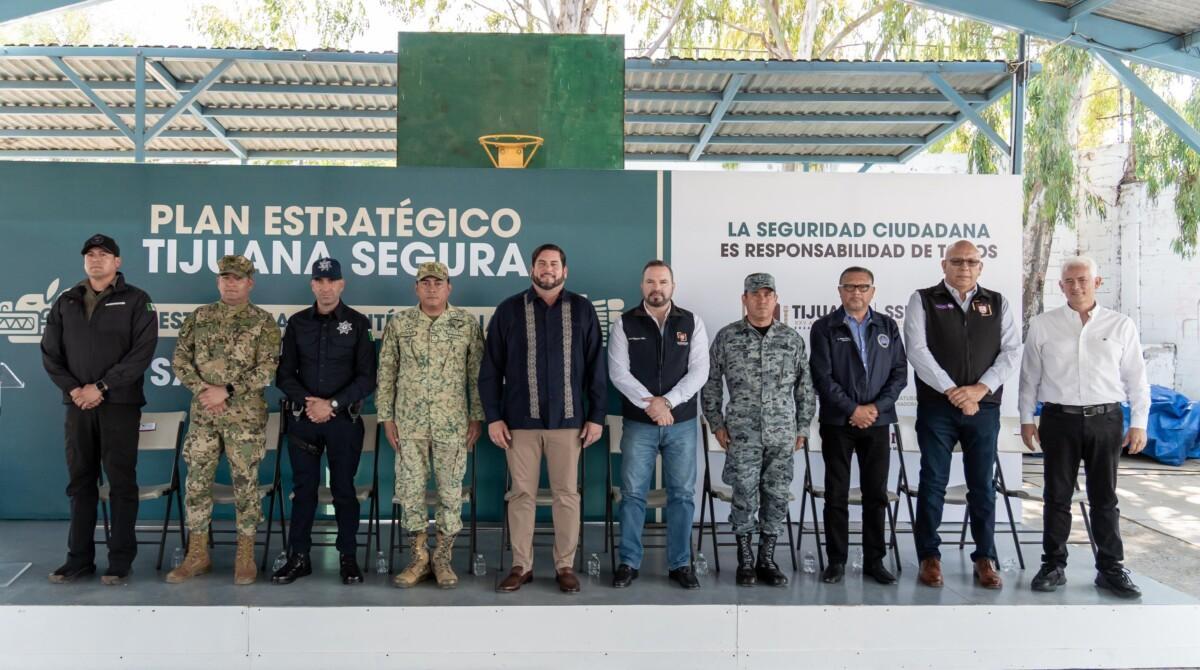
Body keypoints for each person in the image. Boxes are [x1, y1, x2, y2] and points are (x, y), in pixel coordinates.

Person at [1019, 256, 1149, 599]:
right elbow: (1029, 377)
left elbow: (1137, 379)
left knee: (1104, 496)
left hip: (1106, 420)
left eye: (1083, 280)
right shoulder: (1043, 325)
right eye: (1069, 281)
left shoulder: (1121, 325)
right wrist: (1026, 419)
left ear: (1097, 283)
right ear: (1060, 286)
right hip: (1059, 419)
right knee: (1056, 496)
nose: (1076, 286)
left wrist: (1139, 423)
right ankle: (1053, 565)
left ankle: (1110, 568)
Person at [479, 243, 607, 594]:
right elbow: (490, 370)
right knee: (522, 494)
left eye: (554, 263)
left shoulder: (582, 310)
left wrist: (596, 416)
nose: (547, 269)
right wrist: (492, 417)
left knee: (567, 494)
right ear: (531, 269)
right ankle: (522, 565)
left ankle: (564, 565)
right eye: (541, 263)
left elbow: (597, 366)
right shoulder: (508, 311)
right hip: (520, 421)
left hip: (568, 422)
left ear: (565, 271)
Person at [40, 234, 158, 585]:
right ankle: (78, 559)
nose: (96, 259)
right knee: (80, 483)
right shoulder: (66, 301)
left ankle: (120, 562)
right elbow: (50, 354)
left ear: (117, 262)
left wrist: (102, 387)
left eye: (104, 255)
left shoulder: (137, 300)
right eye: (90, 255)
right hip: (77, 405)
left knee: (121, 483)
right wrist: (75, 389)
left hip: (119, 404)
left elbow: (141, 353)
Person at [903, 240, 1020, 589]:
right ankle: (929, 556)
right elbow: (917, 350)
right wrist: (953, 391)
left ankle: (985, 557)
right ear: (944, 264)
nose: (964, 267)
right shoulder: (923, 298)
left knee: (983, 485)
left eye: (971, 261)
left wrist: (979, 390)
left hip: (983, 408)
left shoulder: (997, 302)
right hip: (938, 407)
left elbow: (1012, 351)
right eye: (957, 261)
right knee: (933, 481)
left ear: (980, 267)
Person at [167, 255, 281, 586]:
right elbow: (180, 359)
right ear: (219, 281)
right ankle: (198, 553)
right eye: (225, 277)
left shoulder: (263, 322)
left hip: (244, 419)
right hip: (204, 414)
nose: (231, 282)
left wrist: (227, 391)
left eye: (238, 278)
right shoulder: (199, 317)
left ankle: (245, 555)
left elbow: (268, 368)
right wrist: (205, 389)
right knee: (197, 483)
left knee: (246, 485)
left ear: (250, 283)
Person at [701, 272, 815, 587]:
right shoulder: (727, 337)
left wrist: (802, 427)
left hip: (782, 435)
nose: (762, 299)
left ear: (776, 299)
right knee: (744, 496)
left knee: (776, 496)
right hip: (741, 433)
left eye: (768, 294)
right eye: (755, 294)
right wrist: (716, 423)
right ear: (744, 299)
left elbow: (805, 388)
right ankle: (746, 561)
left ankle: (767, 559)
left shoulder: (791, 339)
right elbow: (710, 385)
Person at [377, 261, 484, 589]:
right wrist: (386, 417)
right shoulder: (400, 323)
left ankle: (443, 558)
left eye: (438, 283)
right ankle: (419, 557)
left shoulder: (465, 323)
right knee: (411, 491)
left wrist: (477, 416)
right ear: (417, 288)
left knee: (451, 492)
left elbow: (476, 374)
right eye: (426, 282)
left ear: (448, 287)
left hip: (452, 424)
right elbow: (387, 372)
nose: (432, 288)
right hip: (409, 424)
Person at [272, 258, 376, 586]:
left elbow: (367, 378)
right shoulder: (298, 323)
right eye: (320, 280)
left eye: (332, 281)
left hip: (343, 420)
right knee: (304, 491)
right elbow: (284, 374)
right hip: (304, 419)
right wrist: (310, 403)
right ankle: (298, 557)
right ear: (312, 285)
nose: (326, 287)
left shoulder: (358, 323)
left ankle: (348, 556)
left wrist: (331, 404)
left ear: (342, 284)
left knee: (343, 490)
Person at [607, 260, 709, 590]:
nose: (657, 288)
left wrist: (668, 402)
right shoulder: (625, 324)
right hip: (639, 423)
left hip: (681, 423)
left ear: (672, 286)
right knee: (633, 494)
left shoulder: (692, 322)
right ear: (642, 286)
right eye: (651, 281)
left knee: (681, 494)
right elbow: (618, 373)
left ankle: (680, 563)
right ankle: (628, 561)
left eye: (663, 282)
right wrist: (652, 405)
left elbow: (699, 372)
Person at [809, 266, 907, 585]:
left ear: (872, 291)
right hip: (838, 422)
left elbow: (899, 374)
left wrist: (874, 409)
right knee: (836, 493)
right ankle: (836, 560)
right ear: (840, 291)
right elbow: (822, 378)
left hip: (878, 423)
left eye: (863, 287)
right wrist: (853, 409)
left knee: (875, 494)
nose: (856, 292)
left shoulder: (888, 326)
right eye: (849, 287)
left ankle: (874, 561)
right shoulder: (824, 327)